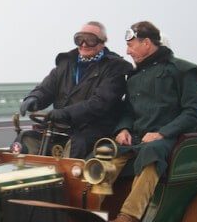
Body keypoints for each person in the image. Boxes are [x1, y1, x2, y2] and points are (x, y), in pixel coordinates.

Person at [107, 21, 197, 222]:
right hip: (136, 137)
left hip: (171, 138)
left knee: (152, 152)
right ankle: (93, 213)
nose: (127, 51)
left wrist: (162, 133)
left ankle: (129, 218)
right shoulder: (134, 76)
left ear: (147, 43)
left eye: (132, 45)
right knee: (103, 153)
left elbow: (193, 112)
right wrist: (122, 129)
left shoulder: (183, 70)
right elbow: (128, 111)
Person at [16, 21, 130, 158]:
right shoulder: (67, 63)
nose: (83, 44)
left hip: (93, 128)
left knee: (75, 147)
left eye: (90, 40)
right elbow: (46, 87)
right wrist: (34, 98)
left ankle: (69, 179)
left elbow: (100, 103)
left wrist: (66, 113)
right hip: (59, 126)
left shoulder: (114, 67)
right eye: (79, 39)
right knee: (25, 141)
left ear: (102, 42)